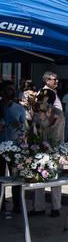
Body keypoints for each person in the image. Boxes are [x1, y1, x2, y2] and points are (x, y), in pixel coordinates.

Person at [32, 72, 65, 217]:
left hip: (55, 146)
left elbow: (56, 128)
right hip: (40, 147)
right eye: (41, 100)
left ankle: (55, 207)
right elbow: (35, 128)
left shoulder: (57, 113)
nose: (41, 102)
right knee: (39, 173)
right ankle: (38, 207)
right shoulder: (38, 111)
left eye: (44, 100)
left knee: (55, 175)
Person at [0, 82, 25, 215]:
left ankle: (17, 204)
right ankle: (1, 203)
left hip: (14, 147)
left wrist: (19, 126)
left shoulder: (19, 108)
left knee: (16, 177)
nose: (11, 92)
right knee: (0, 177)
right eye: (8, 89)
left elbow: (24, 128)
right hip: (0, 146)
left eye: (13, 90)